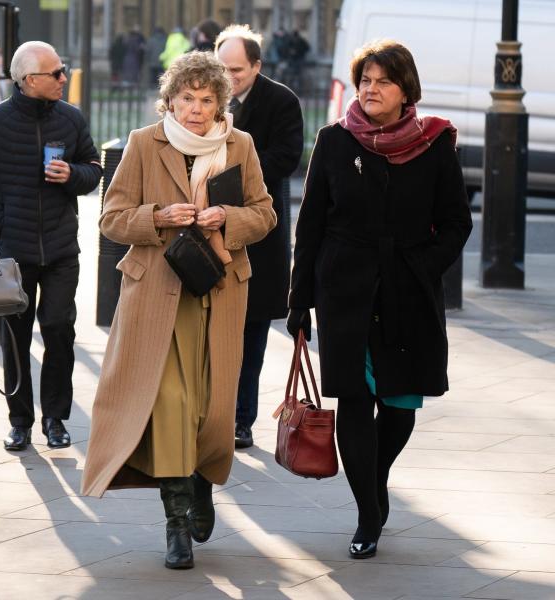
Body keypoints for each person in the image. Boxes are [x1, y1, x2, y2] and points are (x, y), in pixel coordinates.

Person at [81, 51, 276, 570]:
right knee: (167, 402)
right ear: (170, 101)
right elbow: (112, 218)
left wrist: (228, 217)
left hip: (217, 291)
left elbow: (265, 214)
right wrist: (158, 216)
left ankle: (200, 480)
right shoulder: (145, 144)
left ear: (220, 104)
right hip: (157, 295)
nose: (195, 109)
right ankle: (176, 523)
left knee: (209, 409)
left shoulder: (241, 145)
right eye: (186, 98)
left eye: (206, 99)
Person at [288, 39, 472, 559]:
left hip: (407, 292)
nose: (371, 89)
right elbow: (312, 225)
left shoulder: (435, 144)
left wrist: (425, 265)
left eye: (382, 81)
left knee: (400, 403)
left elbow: (458, 221)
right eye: (365, 80)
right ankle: (368, 513)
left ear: (405, 89)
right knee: (354, 397)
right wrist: (300, 300)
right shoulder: (333, 140)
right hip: (344, 289)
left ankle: (377, 476)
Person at [0, 41, 101, 452]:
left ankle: (55, 419)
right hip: (13, 251)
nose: (64, 78)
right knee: (15, 336)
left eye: (64, 70)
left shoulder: (71, 119)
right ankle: (19, 421)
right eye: (56, 73)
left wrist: (71, 175)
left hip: (61, 249)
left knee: (59, 329)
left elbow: (94, 169)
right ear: (28, 81)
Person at [215, 24, 303, 449]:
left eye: (237, 71)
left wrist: (234, 172)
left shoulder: (281, 100)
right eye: (223, 69)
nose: (229, 79)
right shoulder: (203, 97)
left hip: (259, 233)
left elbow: (286, 158)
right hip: (211, 231)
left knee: (252, 333)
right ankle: (211, 414)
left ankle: (241, 419)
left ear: (256, 66)